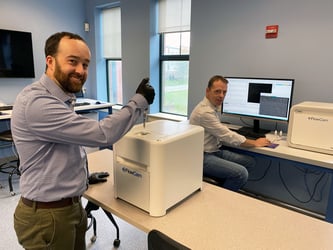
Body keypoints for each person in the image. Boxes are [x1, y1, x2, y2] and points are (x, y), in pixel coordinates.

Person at [11, 31, 155, 250]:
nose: (80, 70)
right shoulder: (37, 102)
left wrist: (83, 178)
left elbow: (57, 152)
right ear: (50, 61)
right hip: (48, 216)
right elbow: (102, 133)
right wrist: (138, 102)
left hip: (69, 207)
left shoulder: (61, 99)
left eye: (86, 64)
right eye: (73, 61)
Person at [189, 75, 271, 191]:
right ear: (207, 91)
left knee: (250, 162)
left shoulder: (212, 106)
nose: (221, 96)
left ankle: (223, 186)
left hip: (214, 150)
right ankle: (222, 200)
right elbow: (227, 135)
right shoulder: (204, 112)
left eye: (224, 92)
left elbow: (219, 130)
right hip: (203, 156)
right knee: (241, 173)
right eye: (217, 91)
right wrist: (255, 142)